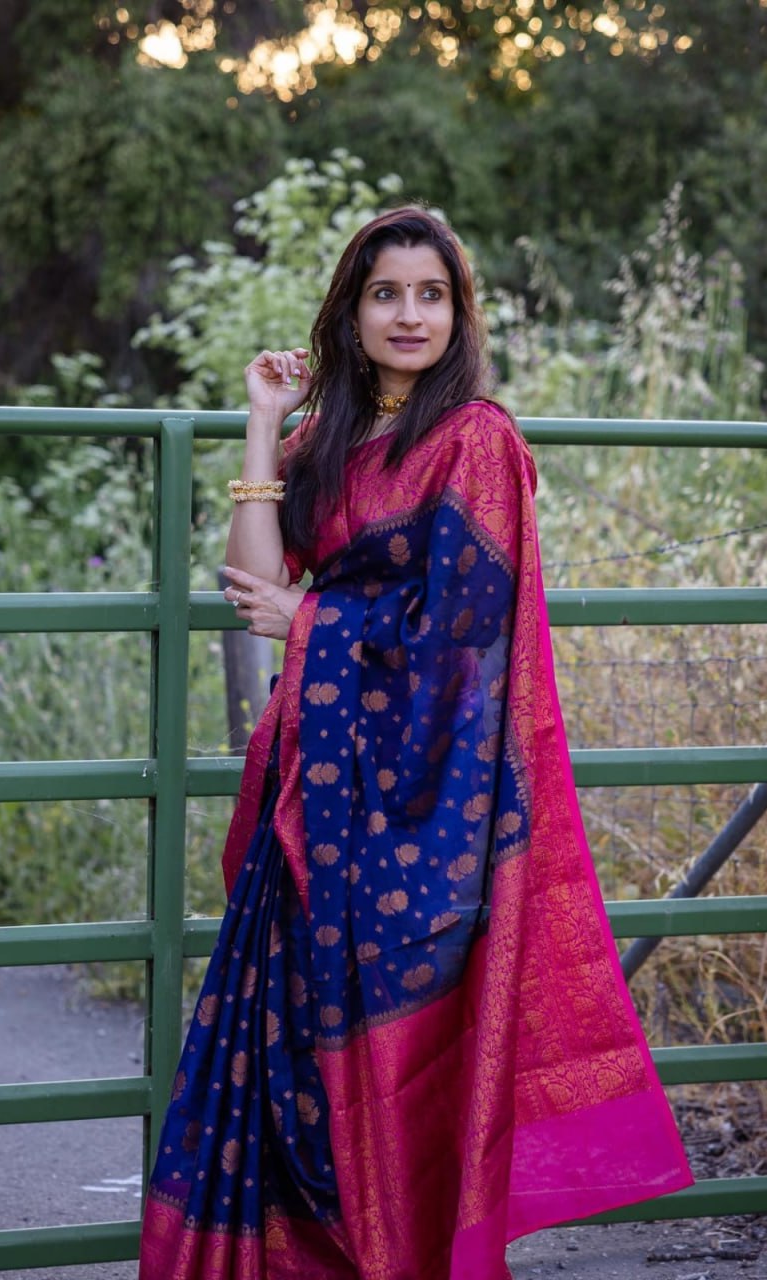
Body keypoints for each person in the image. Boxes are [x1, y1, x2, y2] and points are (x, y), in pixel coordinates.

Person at [139, 208, 692, 1280]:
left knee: (410, 1046)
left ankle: (407, 1255)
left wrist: (310, 622)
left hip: (433, 798)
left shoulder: (475, 440)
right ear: (349, 313)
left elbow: (464, 631)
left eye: (429, 294)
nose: (408, 314)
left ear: (457, 313)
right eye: (385, 293)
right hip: (317, 786)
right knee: (297, 1034)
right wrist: (263, 421)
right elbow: (253, 577)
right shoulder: (326, 442)